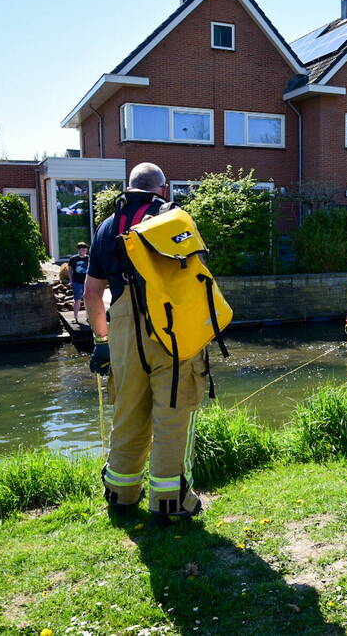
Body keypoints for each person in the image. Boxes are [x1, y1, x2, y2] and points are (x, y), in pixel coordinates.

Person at [84, 162, 207, 525]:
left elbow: (93, 293)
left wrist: (101, 341)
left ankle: (122, 494)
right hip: (172, 331)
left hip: (122, 331)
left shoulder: (108, 227)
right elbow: (198, 281)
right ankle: (171, 504)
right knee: (172, 415)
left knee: (127, 413)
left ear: (129, 188)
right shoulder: (176, 219)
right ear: (163, 189)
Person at [67, 241, 90, 324]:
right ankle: (75, 318)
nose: (83, 250)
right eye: (82, 249)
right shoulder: (73, 259)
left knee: (88, 300)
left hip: (87, 282)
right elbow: (70, 270)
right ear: (78, 250)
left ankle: (88, 317)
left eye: (85, 249)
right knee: (77, 300)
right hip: (77, 282)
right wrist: (70, 280)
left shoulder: (89, 258)